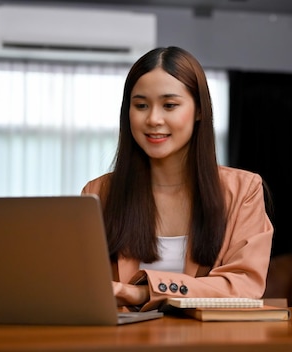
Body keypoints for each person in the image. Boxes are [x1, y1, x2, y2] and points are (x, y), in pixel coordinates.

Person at [81, 46, 273, 312]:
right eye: (141, 105)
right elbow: (83, 285)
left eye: (169, 105)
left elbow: (244, 287)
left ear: (199, 111)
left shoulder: (243, 191)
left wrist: (143, 292)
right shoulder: (99, 192)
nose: (153, 119)